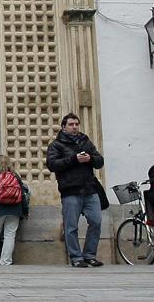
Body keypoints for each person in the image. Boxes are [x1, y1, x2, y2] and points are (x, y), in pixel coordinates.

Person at [45, 112, 105, 268]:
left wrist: (90, 159)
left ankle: (90, 255)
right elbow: (52, 165)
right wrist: (74, 159)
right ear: (64, 127)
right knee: (71, 226)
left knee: (96, 222)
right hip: (70, 190)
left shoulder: (85, 142)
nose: (74, 127)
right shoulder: (56, 145)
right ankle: (76, 257)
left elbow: (99, 161)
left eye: (76, 124)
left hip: (90, 189)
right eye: (71, 124)